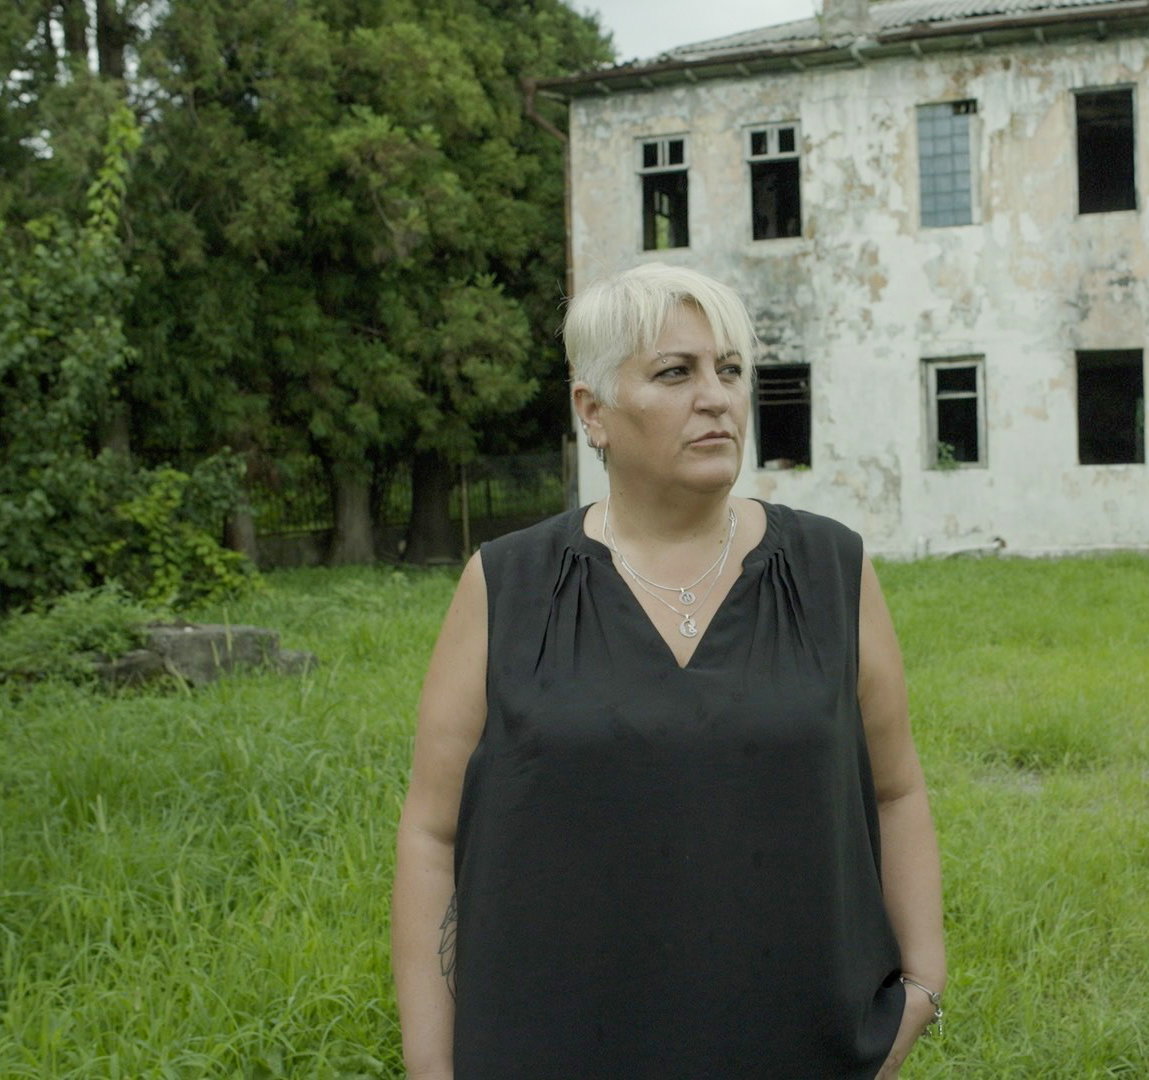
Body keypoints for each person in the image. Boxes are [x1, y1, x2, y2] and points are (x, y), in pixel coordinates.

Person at [391, 262, 947, 1078]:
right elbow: (432, 835)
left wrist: (923, 985)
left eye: (729, 370)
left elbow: (896, 792)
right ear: (594, 412)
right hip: (555, 1048)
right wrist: (431, 1067)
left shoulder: (832, 570)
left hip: (800, 1051)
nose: (716, 396)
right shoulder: (507, 585)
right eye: (674, 373)